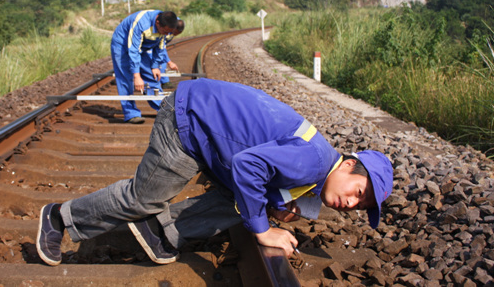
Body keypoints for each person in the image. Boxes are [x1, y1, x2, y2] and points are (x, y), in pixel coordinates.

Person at [36, 78, 393, 266]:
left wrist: (272, 207)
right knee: (143, 197)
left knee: (247, 203)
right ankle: (59, 218)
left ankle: (158, 231)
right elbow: (247, 166)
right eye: (359, 192)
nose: (351, 203)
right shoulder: (315, 161)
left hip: (212, 136)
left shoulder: (317, 168)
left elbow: (255, 175)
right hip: (191, 120)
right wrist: (265, 230)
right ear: (347, 165)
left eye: (360, 207)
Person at [109, 10, 178, 124]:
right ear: (157, 23)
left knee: (152, 76)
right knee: (125, 78)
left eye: (169, 33)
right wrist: (136, 76)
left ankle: (163, 109)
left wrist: (155, 66)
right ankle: (131, 114)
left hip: (140, 46)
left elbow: (160, 48)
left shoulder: (164, 26)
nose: (166, 35)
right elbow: (133, 50)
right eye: (165, 31)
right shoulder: (141, 24)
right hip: (122, 45)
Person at [139, 19, 185, 111]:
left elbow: (161, 48)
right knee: (151, 77)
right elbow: (161, 49)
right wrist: (169, 62)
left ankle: (163, 104)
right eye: (173, 33)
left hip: (150, 49)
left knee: (156, 70)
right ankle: (163, 108)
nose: (172, 35)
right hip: (141, 50)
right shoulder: (160, 28)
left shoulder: (170, 27)